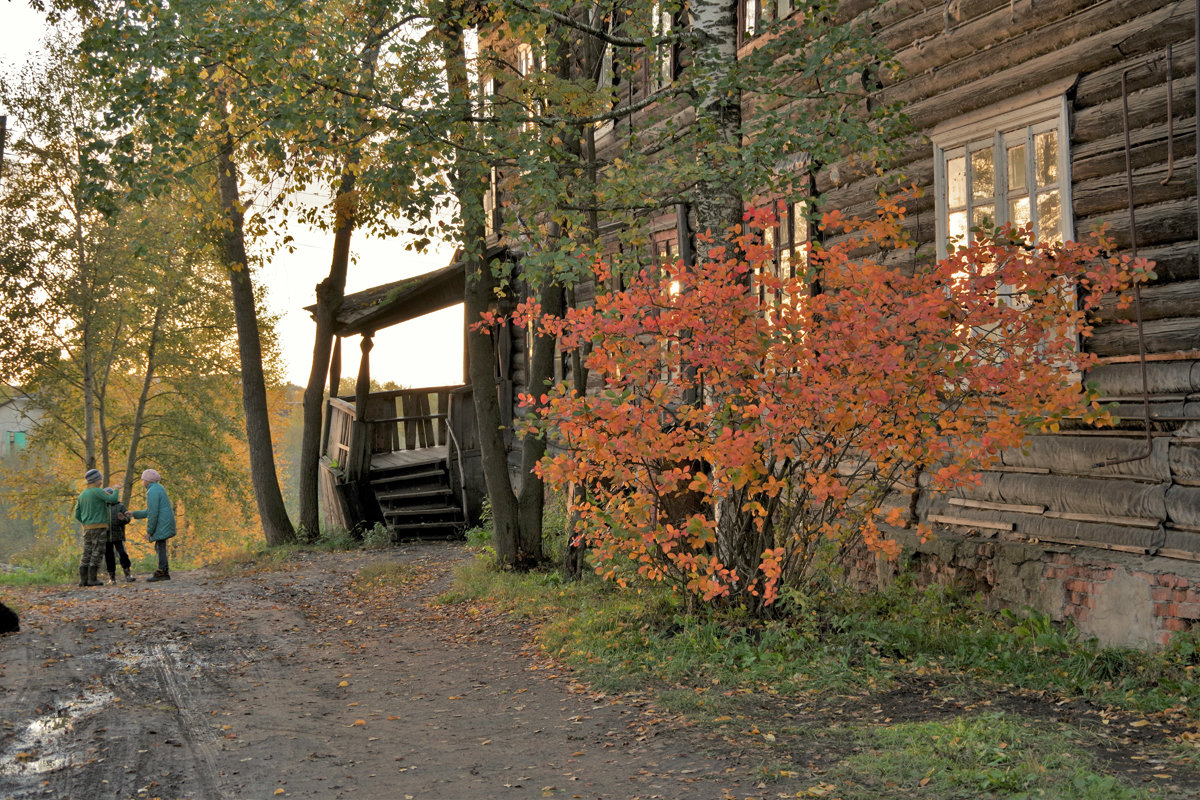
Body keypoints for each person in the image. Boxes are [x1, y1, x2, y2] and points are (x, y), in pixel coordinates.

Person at [73, 468, 122, 587]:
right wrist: (116, 489)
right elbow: (113, 499)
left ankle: (83, 580)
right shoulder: (97, 491)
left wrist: (86, 522)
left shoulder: (82, 495)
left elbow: (77, 514)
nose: (101, 480)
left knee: (87, 551)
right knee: (97, 551)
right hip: (99, 527)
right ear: (96, 480)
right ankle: (92, 579)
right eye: (100, 478)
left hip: (87, 528)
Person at [129, 468, 175, 582]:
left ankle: (162, 572)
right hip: (164, 522)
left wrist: (149, 531)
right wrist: (133, 514)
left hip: (161, 523)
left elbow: (153, 514)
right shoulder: (158, 488)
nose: (142, 482)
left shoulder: (152, 491)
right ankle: (163, 571)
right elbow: (150, 511)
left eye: (143, 480)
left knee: (160, 546)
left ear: (147, 480)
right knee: (160, 546)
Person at [103, 488, 136, 583]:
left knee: (122, 554)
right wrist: (102, 526)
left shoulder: (120, 506)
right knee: (109, 556)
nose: (109, 496)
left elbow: (128, 519)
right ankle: (112, 577)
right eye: (107, 494)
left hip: (118, 535)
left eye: (110, 494)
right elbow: (97, 519)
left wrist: (123, 519)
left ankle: (127, 574)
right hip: (106, 536)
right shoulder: (101, 506)